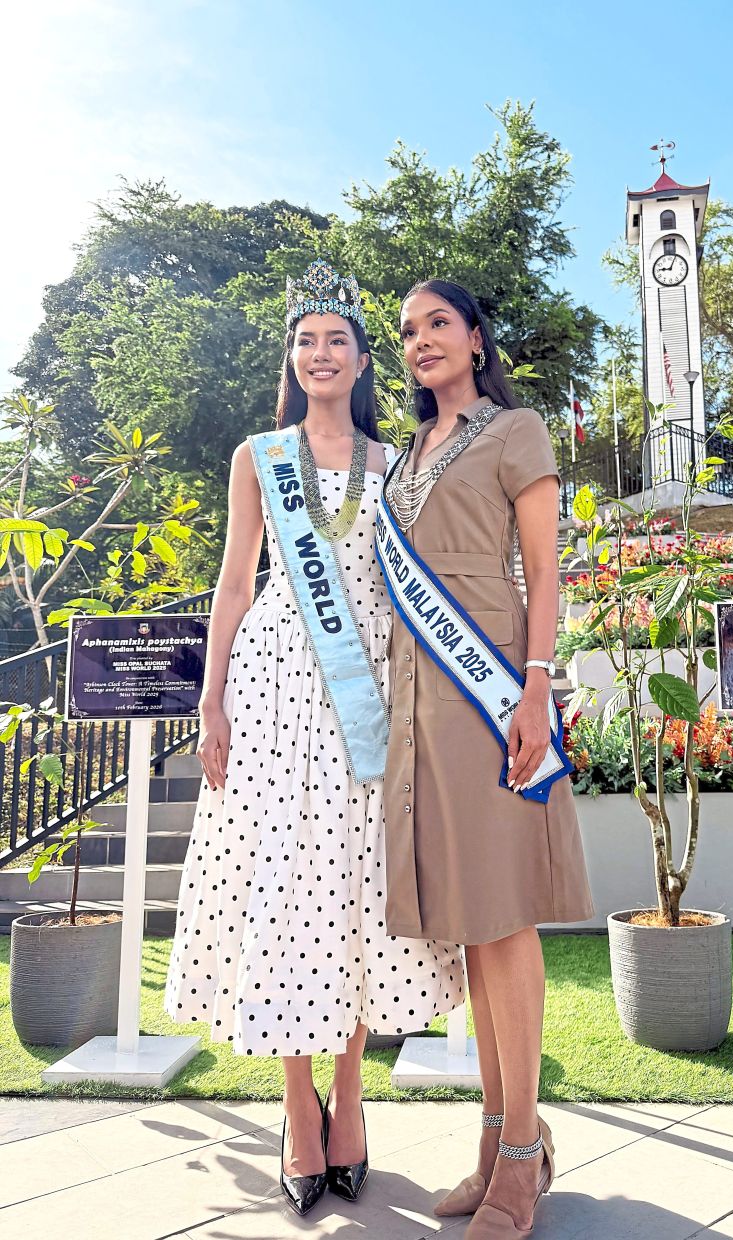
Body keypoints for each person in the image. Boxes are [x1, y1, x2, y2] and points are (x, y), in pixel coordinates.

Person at [164, 260, 464, 1217]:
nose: (322, 353)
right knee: (284, 885)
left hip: (367, 695)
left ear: (364, 359)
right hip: (273, 690)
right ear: (292, 360)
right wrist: (209, 701)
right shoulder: (259, 456)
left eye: (338, 339)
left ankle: (351, 1094)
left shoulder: (395, 461)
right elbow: (233, 582)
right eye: (307, 341)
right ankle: (297, 1101)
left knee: (353, 888)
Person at [377, 279, 594, 1238]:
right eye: (409, 331)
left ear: (474, 337)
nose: (422, 341)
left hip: (491, 678)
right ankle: (503, 1137)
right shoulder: (406, 452)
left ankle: (517, 1162)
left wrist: (537, 685)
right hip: (417, 699)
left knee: (503, 919)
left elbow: (544, 568)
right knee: (469, 922)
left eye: (438, 324)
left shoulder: (517, 430)